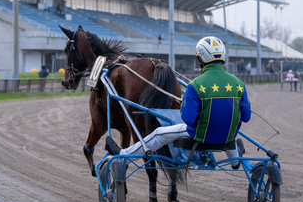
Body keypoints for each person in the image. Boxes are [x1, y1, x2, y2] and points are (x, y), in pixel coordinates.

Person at [106, 36, 251, 169]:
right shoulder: (239, 84)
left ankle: (124, 153)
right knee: (227, 130)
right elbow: (246, 117)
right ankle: (236, 161)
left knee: (158, 134)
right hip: (228, 136)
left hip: (199, 136)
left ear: (201, 59)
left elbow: (188, 119)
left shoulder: (195, 85)